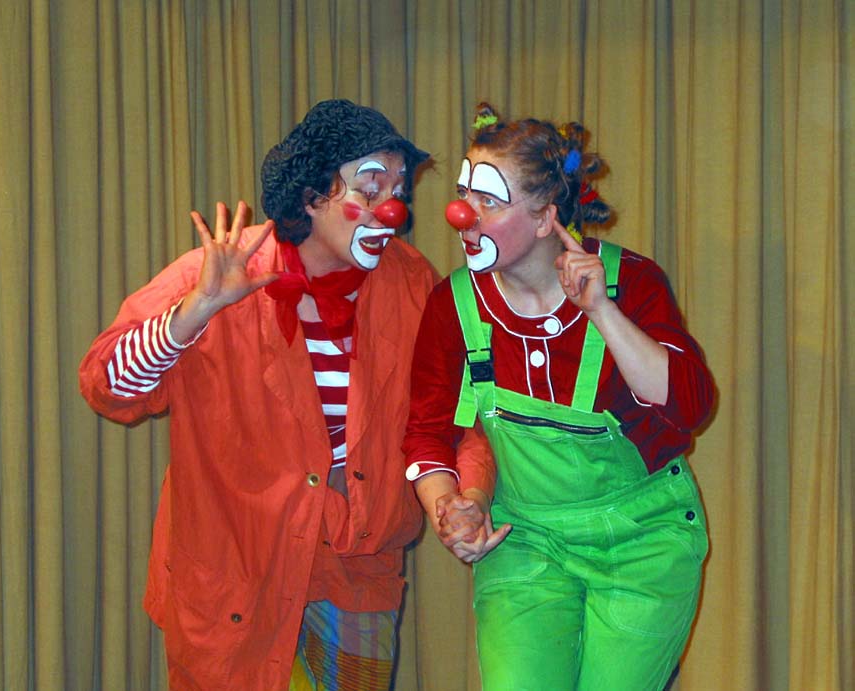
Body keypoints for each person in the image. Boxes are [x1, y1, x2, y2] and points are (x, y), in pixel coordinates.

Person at [80, 99, 488, 691]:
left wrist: (463, 496)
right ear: (311, 195)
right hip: (236, 575)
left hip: (355, 575)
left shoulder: (411, 281)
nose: (393, 210)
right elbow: (107, 386)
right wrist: (194, 312)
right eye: (371, 189)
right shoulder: (222, 271)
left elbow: (452, 415)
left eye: (398, 191)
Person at [402, 103, 715, 691]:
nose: (461, 213)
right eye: (465, 194)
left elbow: (691, 408)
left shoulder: (631, 282)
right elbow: (427, 432)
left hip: (642, 542)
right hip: (526, 538)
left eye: (489, 200)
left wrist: (603, 312)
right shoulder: (454, 304)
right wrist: (450, 509)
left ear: (546, 217)